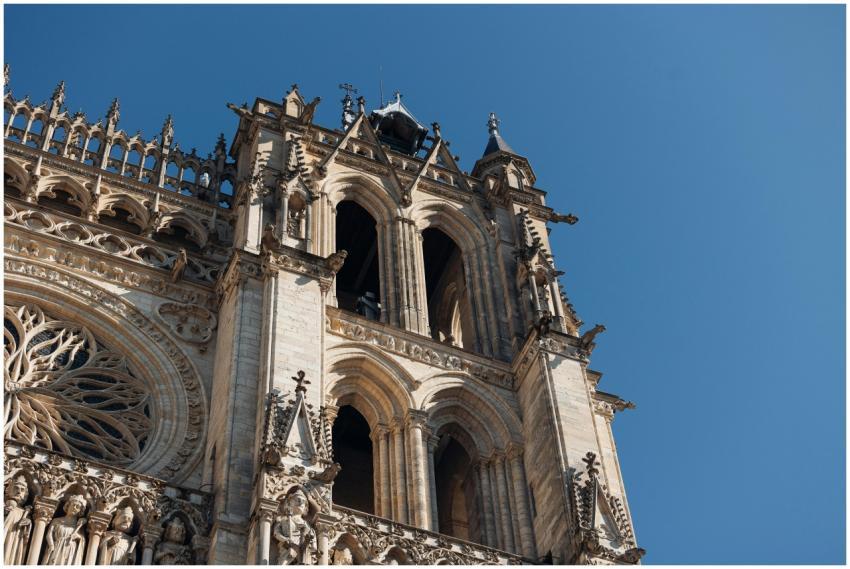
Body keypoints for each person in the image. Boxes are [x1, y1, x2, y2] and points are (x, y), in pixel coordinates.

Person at [273, 487, 316, 565]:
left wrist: (311, 545)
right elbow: (276, 533)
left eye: (303, 501)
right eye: (297, 499)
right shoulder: (282, 519)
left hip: (304, 553)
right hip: (287, 548)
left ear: (305, 508)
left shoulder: (308, 525)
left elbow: (313, 542)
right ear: (289, 503)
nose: (300, 503)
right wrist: (285, 539)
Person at [41, 493, 87, 565]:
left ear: (80, 511)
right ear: (68, 506)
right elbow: (49, 534)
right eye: (73, 505)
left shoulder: (78, 526)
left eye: (78, 507)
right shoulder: (56, 521)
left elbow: (82, 540)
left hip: (71, 550)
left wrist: (78, 537)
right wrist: (51, 545)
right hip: (57, 547)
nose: (74, 508)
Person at [4, 474, 32, 565]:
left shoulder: (23, 512)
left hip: (14, 541)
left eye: (22, 490)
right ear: (8, 490)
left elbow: (26, 535)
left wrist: (28, 524)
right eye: (16, 488)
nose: (19, 491)